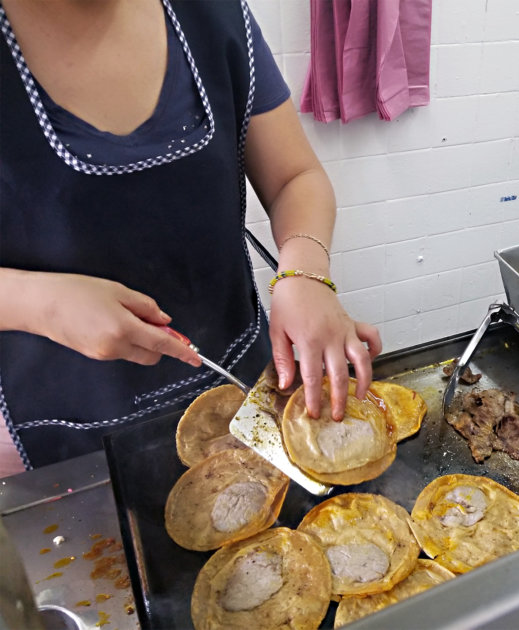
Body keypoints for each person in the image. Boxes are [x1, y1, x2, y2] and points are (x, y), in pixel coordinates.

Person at [0, 0, 381, 476]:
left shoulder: (213, 14)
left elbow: (295, 176)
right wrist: (40, 303)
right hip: (69, 436)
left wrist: (304, 272)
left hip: (242, 379)